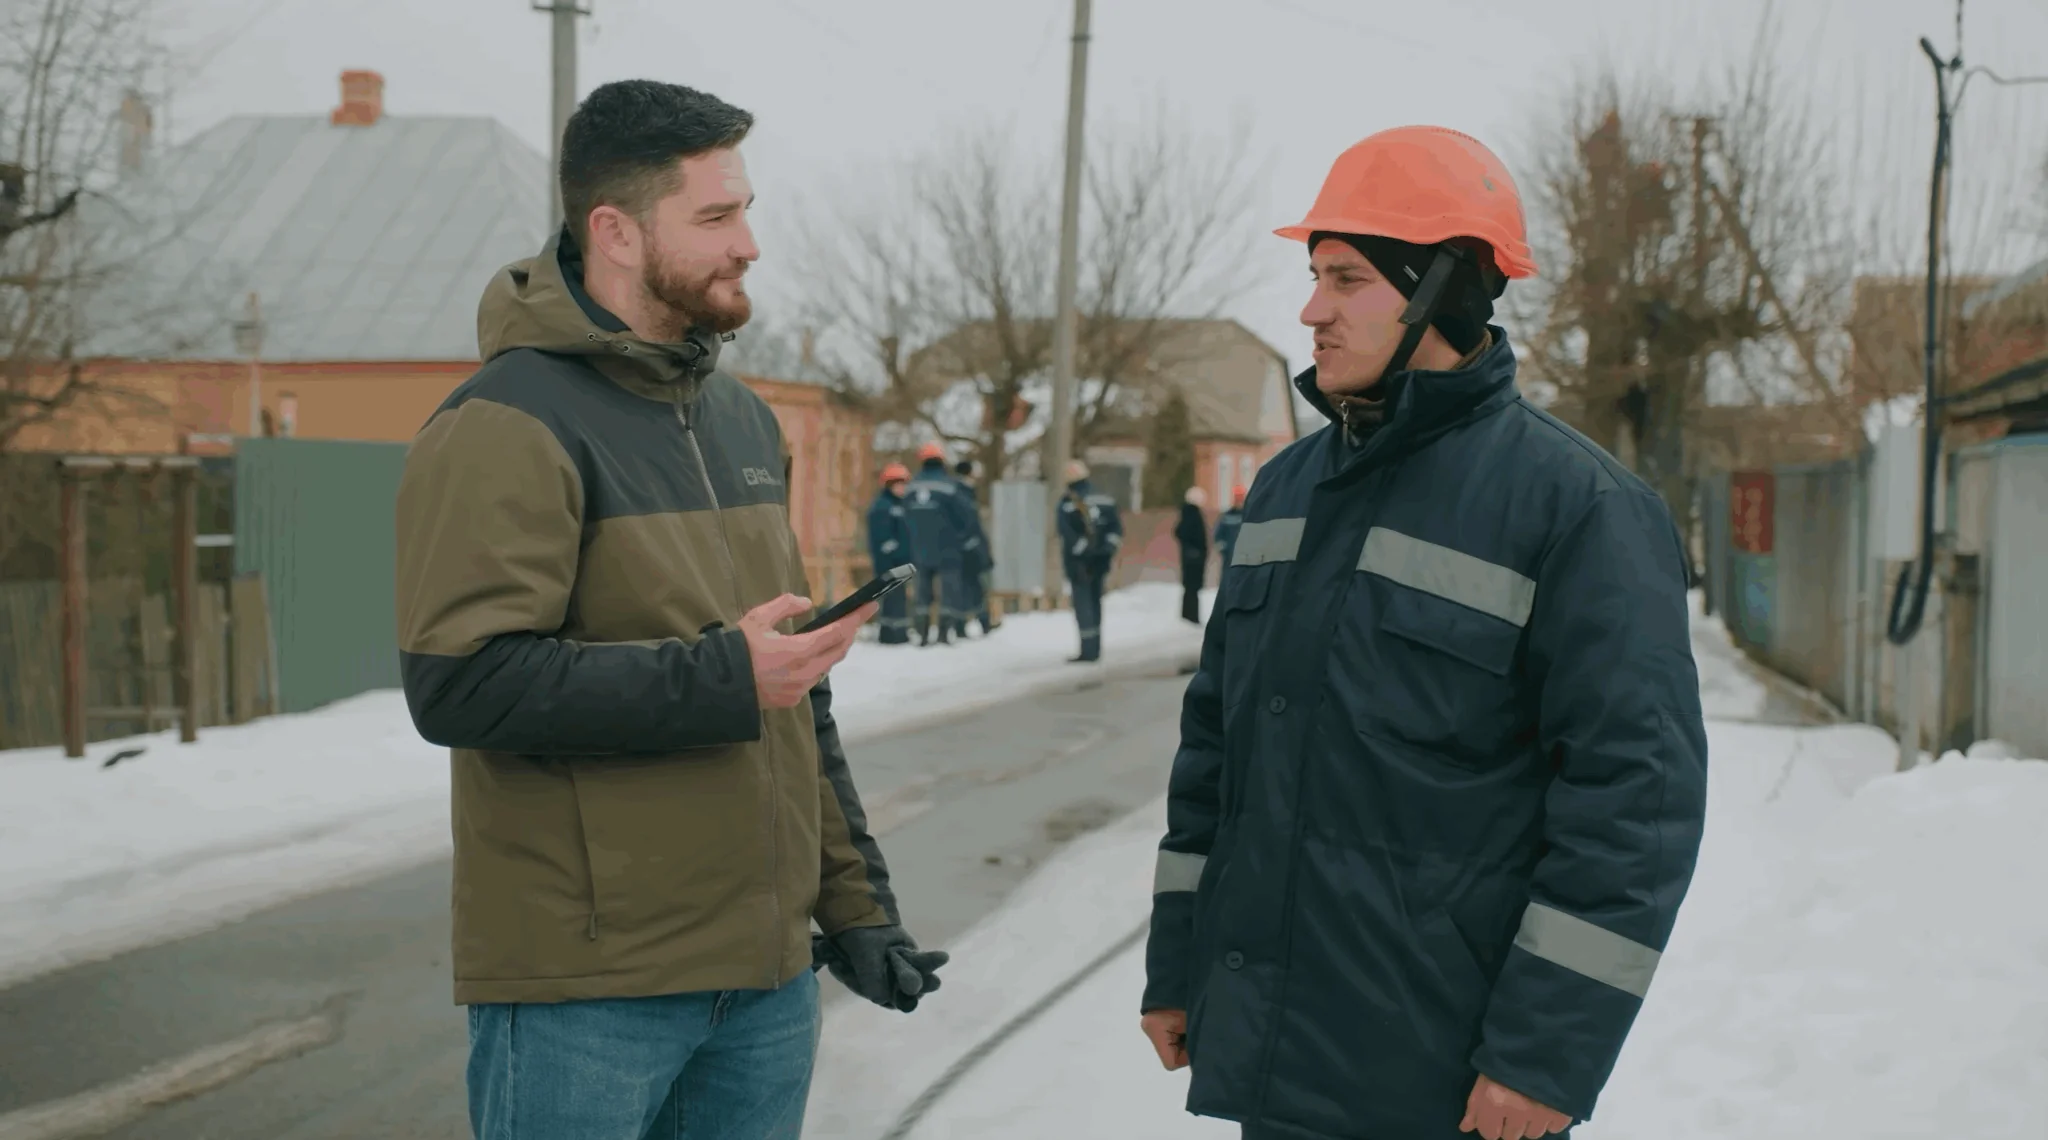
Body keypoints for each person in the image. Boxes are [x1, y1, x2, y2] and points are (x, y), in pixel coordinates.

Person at [393, 80, 948, 1140]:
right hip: (590, 993)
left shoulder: (738, 420)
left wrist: (853, 907)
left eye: (745, 210)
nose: (749, 244)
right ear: (614, 231)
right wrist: (723, 676)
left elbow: (792, 694)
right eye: (714, 217)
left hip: (765, 986)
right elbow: (458, 683)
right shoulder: (504, 423)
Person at [1137, 125, 1708, 1140]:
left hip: (1447, 1083)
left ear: (1439, 289)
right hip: (1277, 1064)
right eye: (1313, 276)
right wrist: (1176, 962)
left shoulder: (1576, 509)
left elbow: (1634, 807)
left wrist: (1542, 1057)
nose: (1309, 310)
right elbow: (1215, 756)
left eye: (1345, 279)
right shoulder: (1282, 491)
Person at [902, 442, 979, 646]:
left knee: (922, 593)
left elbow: (904, 518)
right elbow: (968, 515)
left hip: (920, 549)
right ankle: (945, 634)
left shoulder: (911, 487)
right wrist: (963, 538)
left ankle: (923, 634)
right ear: (942, 461)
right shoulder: (950, 486)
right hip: (949, 548)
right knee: (949, 590)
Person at [1055, 458, 1123, 662]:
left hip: (1079, 562)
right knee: (1095, 601)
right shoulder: (1105, 497)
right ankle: (1096, 647)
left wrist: (1083, 549)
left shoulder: (1068, 501)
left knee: (1083, 603)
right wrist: (1106, 549)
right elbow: (1116, 529)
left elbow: (1065, 532)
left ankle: (1087, 649)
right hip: (1101, 560)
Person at [867, 463, 915, 645]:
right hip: (889, 563)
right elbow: (883, 539)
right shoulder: (883, 507)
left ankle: (899, 632)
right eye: (898, 484)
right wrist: (893, 552)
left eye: (904, 484)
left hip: (900, 562)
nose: (902, 488)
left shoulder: (900, 506)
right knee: (892, 599)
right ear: (888, 485)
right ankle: (891, 635)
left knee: (900, 598)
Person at [952, 459, 995, 636]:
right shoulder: (961, 493)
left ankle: (978, 622)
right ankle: (971, 624)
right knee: (971, 586)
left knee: (972, 586)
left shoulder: (964, 492)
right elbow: (969, 523)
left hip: (970, 547)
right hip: (967, 548)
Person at [1174, 486, 1209, 624]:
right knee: (1192, 588)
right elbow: (1182, 532)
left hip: (1192, 557)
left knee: (1191, 588)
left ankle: (1190, 615)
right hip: (1193, 559)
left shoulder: (1189, 513)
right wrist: (1194, 550)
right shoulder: (1191, 513)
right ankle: (1191, 616)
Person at [1213, 484, 1246, 568]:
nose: (1239, 499)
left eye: (1241, 496)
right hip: (1229, 556)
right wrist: (1223, 549)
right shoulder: (1227, 515)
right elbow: (1219, 534)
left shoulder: (1249, 515)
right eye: (1237, 497)